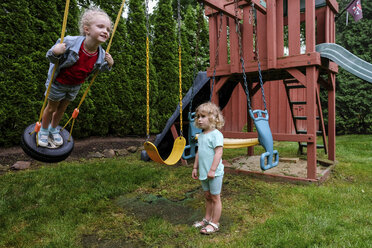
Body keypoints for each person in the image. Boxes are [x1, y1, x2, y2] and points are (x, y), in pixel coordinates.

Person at [38, 7, 114, 147]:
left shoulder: (101, 53)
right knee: (52, 108)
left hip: (74, 86)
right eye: (101, 27)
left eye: (108, 29)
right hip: (58, 83)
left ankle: (53, 129)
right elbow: (51, 57)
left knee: (62, 109)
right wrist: (56, 51)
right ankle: (43, 130)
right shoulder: (70, 42)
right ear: (87, 30)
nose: (105, 31)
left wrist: (109, 64)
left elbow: (97, 70)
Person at [192, 102, 225, 235]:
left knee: (215, 197)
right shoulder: (201, 135)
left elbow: (219, 153)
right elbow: (199, 152)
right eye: (198, 116)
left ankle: (215, 223)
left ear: (213, 118)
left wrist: (212, 170)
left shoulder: (216, 134)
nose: (199, 119)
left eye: (203, 116)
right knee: (207, 196)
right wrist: (195, 167)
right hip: (204, 172)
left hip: (214, 173)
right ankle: (207, 218)